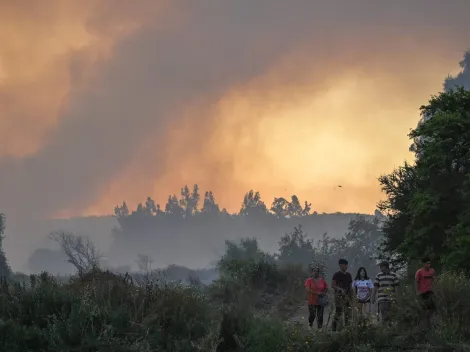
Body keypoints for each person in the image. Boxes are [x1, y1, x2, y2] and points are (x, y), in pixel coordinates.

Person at [331, 259, 353, 332]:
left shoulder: (348, 275)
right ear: (341, 265)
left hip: (347, 297)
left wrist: (352, 296)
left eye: (347, 265)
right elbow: (333, 285)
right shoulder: (336, 274)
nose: (346, 266)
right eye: (344, 265)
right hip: (339, 296)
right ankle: (333, 329)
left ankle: (346, 329)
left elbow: (350, 286)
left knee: (347, 313)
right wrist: (340, 289)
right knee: (339, 312)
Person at [415, 256, 436, 328]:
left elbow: (434, 280)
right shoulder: (419, 272)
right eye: (427, 264)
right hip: (423, 293)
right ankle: (425, 323)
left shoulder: (432, 271)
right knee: (425, 308)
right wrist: (417, 291)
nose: (428, 265)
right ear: (423, 264)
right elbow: (417, 282)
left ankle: (430, 320)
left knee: (433, 307)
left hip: (431, 291)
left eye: (429, 263)